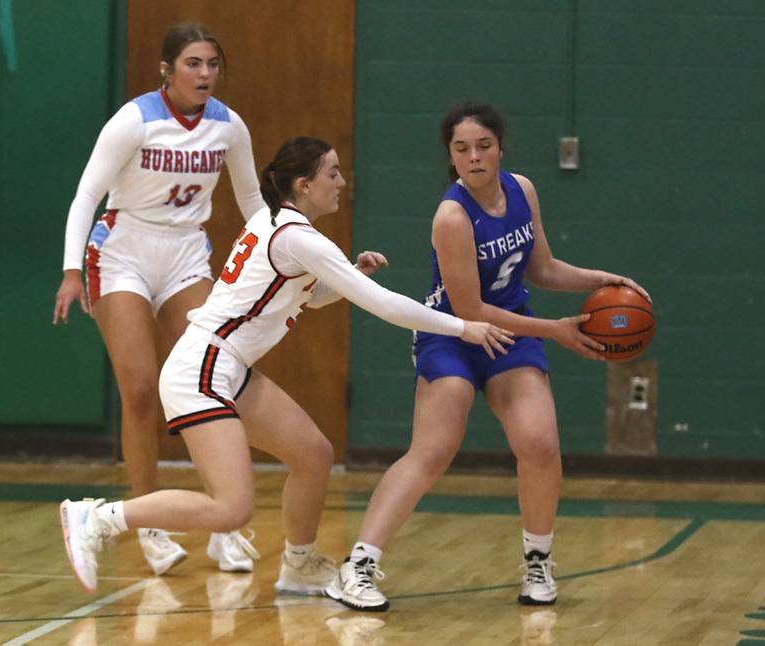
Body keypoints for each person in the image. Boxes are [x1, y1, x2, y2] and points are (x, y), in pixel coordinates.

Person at [58, 136, 513, 594]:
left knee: (313, 455)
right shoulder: (298, 237)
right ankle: (98, 517)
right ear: (304, 184)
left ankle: (299, 566)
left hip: (225, 366)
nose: (341, 181)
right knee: (231, 508)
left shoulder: (276, 224)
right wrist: (462, 327)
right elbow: (386, 306)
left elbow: (308, 298)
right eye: (332, 173)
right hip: (202, 370)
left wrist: (350, 274)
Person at [325, 102, 651, 611]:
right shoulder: (451, 217)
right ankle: (359, 566)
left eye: (483, 145)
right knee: (434, 449)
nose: (474, 156)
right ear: (450, 159)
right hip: (453, 331)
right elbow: (472, 308)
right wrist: (556, 330)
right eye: (462, 149)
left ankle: (537, 561)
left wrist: (600, 279)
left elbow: (541, 268)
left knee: (540, 443)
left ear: (500, 147)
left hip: (511, 331)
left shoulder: (522, 191)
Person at [52, 23, 267, 576]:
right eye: (193, 63)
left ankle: (225, 520)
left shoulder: (228, 126)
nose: (205, 74)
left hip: (185, 253)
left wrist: (285, 253)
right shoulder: (135, 119)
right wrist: (71, 270)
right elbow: (86, 195)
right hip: (122, 249)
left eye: (212, 64)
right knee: (142, 388)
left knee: (217, 372)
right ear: (167, 70)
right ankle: (147, 520)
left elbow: (250, 201)